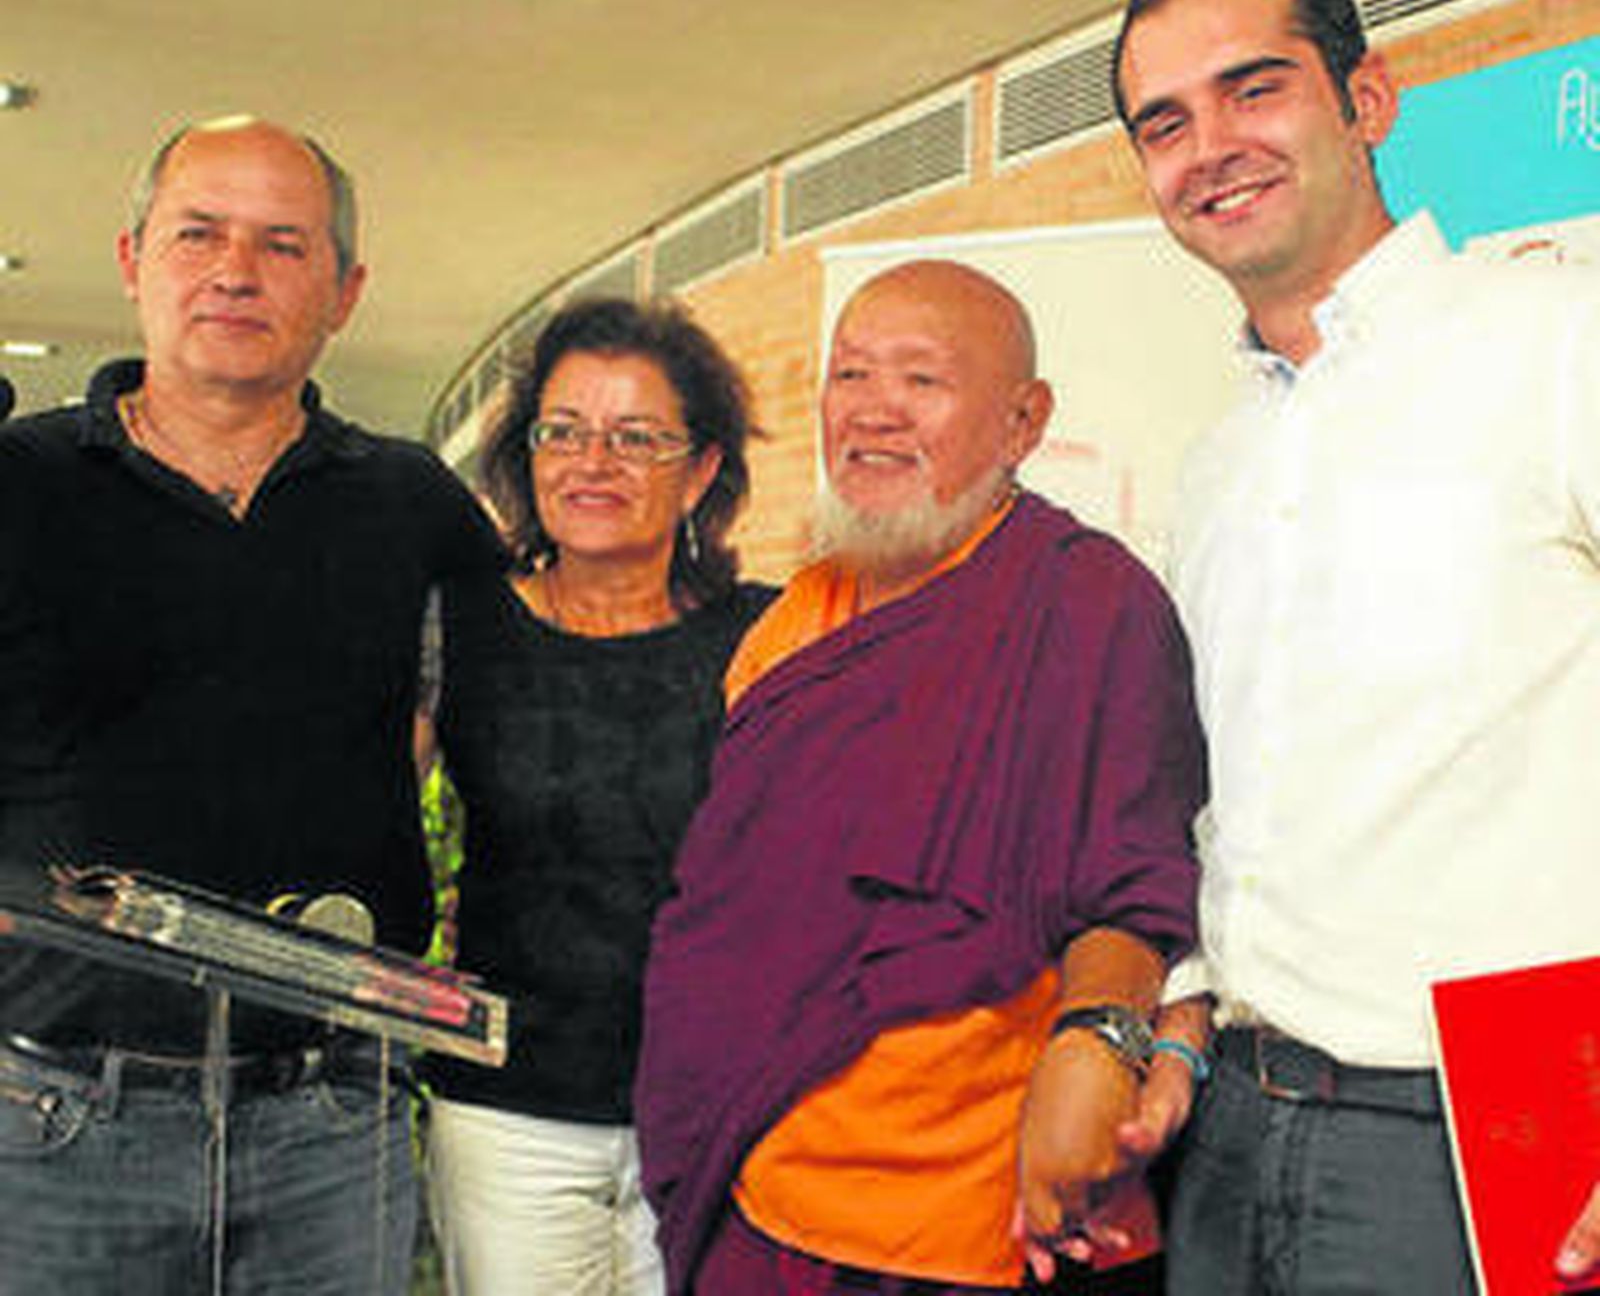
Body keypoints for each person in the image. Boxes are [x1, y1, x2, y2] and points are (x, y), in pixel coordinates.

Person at [1108, 0, 1600, 1293]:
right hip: (1231, 1127)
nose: (1210, 145)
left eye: (1253, 88)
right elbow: (1227, 799)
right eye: (1165, 122)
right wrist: (1184, 1018)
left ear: (1366, 100)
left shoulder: (1559, 339)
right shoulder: (1220, 465)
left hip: (1498, 1123)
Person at [0, 115, 504, 1294]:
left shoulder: (409, 499)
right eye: (198, 232)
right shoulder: (15, 483)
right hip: (54, 1118)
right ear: (132, 259)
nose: (235, 269)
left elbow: (523, 716)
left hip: (334, 1120)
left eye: (283, 243)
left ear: (346, 287)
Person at [636, 259, 1206, 1295]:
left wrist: (1102, 1039)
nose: (875, 413)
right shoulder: (786, 625)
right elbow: (728, 913)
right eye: (850, 375)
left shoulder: (1087, 602)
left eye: (922, 381)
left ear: (1022, 421)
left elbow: (1138, 882)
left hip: (976, 1220)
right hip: (757, 1181)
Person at [423, 296, 776, 1296]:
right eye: (563, 430)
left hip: (716, 1101)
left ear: (702, 469)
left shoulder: (770, 635)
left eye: (636, 437)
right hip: (509, 1107)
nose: (593, 461)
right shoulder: (462, 629)